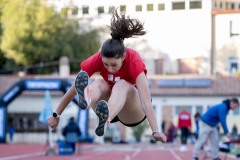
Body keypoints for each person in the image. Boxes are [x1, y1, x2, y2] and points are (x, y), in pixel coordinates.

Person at [48, 9, 166, 143]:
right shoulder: (97, 59)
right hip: (110, 101)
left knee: (121, 84)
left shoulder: (134, 61)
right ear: (101, 58)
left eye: (114, 65)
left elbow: (146, 102)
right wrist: (56, 114)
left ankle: (106, 117)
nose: (110, 68)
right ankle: (89, 98)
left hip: (133, 112)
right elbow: (73, 89)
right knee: (98, 82)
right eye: (105, 64)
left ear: (124, 56)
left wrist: (155, 130)